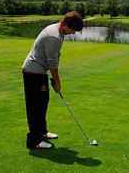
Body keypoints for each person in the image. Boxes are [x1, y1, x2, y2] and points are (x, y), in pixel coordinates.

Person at [22, 11, 84, 149]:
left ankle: (42, 132)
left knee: (43, 103)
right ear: (66, 25)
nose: (73, 33)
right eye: (73, 30)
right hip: (33, 72)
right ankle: (34, 141)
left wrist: (55, 81)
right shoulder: (54, 36)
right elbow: (52, 63)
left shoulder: (59, 31)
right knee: (35, 107)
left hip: (39, 71)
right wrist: (58, 82)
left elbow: (54, 57)